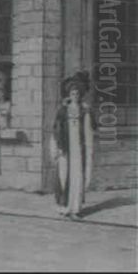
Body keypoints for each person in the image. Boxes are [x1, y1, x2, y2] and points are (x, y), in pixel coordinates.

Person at [51, 78, 94, 220]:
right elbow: (56, 129)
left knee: (77, 176)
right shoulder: (63, 110)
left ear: (80, 94)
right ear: (69, 95)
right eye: (72, 93)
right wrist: (58, 146)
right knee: (64, 175)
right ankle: (65, 207)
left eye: (77, 93)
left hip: (78, 147)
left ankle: (76, 208)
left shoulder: (84, 110)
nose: (74, 95)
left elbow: (90, 127)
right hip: (66, 146)